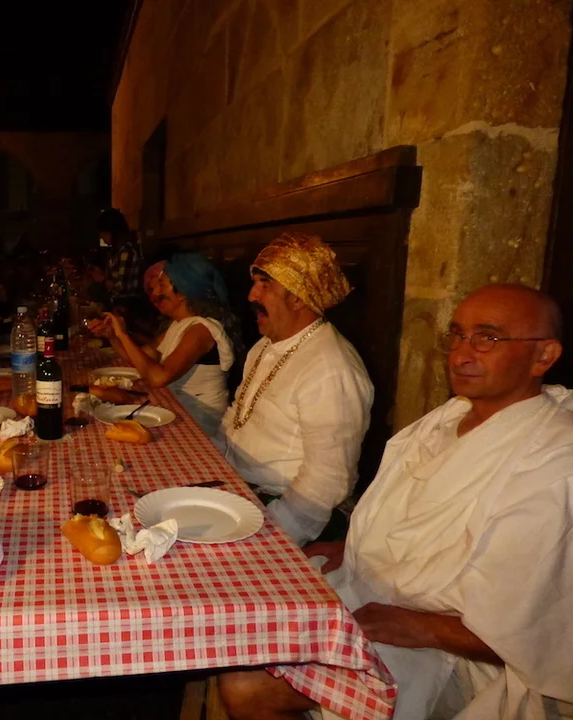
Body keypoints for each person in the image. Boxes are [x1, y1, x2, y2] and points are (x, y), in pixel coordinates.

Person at [218, 284, 572, 720]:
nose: (461, 354)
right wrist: (353, 548)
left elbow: (541, 624)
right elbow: (411, 526)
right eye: (457, 335)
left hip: (459, 653)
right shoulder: (446, 419)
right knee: (242, 603)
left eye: (487, 338)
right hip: (372, 591)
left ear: (543, 356)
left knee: (248, 687)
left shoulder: (555, 461)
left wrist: (422, 626)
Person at [215, 232, 373, 545]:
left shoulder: (330, 369)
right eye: (254, 283)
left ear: (299, 296)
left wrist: (270, 539)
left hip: (286, 509)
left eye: (265, 285)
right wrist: (204, 468)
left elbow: (326, 482)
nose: (251, 295)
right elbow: (235, 419)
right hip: (238, 489)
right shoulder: (264, 346)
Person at [88, 252, 241, 436]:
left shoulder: (201, 330)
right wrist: (113, 336)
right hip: (179, 410)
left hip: (199, 421)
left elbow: (157, 378)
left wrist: (123, 334)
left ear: (182, 293)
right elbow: (141, 359)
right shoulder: (179, 324)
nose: (155, 294)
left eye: (162, 285)